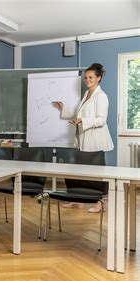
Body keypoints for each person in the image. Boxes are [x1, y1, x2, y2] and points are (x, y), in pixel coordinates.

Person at [53, 63, 114, 213]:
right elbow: (78, 112)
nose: (87, 80)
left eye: (91, 77)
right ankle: (76, 199)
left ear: (99, 78)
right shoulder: (87, 94)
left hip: (96, 140)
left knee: (98, 173)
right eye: (86, 77)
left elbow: (101, 120)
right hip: (83, 138)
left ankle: (101, 202)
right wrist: (64, 109)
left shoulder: (102, 96)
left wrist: (83, 121)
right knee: (77, 169)